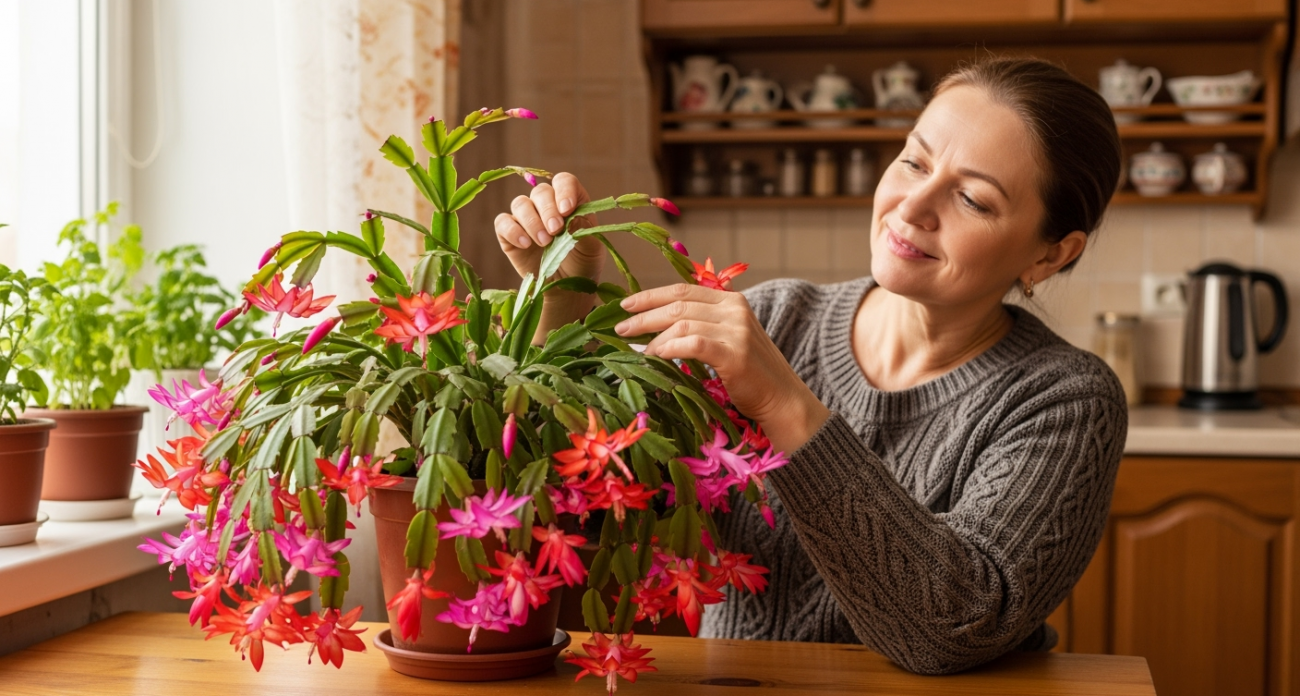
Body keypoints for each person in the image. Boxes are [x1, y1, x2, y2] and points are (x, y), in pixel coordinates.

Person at [493, 57, 1127, 675]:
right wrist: (563, 304)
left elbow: (952, 629)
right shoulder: (772, 320)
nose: (912, 207)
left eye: (972, 199)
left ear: (1049, 254)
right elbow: (579, 499)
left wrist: (783, 403)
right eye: (913, 161)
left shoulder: (1065, 399)